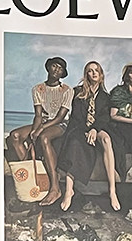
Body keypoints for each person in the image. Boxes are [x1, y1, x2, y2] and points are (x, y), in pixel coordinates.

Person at [56, 61, 121, 213]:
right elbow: (76, 116)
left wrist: (94, 129)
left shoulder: (106, 97)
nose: (94, 73)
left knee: (106, 139)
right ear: (86, 74)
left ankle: (112, 191)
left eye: (96, 70)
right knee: (74, 143)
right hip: (80, 128)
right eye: (90, 71)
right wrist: (86, 131)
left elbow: (105, 118)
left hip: (99, 128)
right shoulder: (78, 92)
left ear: (101, 74)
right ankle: (69, 191)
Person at [6, 57, 72, 206]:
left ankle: (55, 187)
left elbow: (60, 117)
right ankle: (31, 178)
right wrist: (34, 130)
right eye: (54, 66)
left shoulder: (67, 90)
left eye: (60, 68)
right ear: (48, 67)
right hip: (43, 122)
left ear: (62, 73)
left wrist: (40, 129)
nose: (56, 70)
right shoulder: (38, 89)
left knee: (44, 138)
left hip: (60, 124)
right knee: (14, 136)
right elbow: (38, 115)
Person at [108, 63, 132, 217]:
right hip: (121, 127)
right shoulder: (119, 92)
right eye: (131, 72)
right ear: (127, 75)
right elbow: (113, 115)